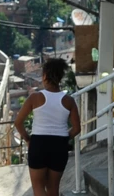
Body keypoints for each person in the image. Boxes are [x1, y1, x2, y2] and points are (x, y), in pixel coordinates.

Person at [14, 58, 81, 196]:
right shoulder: (69, 100)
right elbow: (76, 129)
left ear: (45, 76)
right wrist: (64, 137)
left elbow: (18, 122)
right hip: (60, 145)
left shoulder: (35, 98)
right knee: (53, 189)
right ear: (61, 77)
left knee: (38, 188)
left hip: (38, 143)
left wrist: (28, 139)